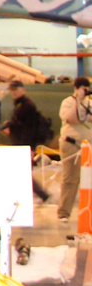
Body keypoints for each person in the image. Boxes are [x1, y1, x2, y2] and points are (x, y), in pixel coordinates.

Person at [2, 81, 53, 201]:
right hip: (22, 144)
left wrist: (27, 147)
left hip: (24, 145)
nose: (14, 92)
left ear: (23, 89)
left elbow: (29, 129)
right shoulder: (20, 105)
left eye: (16, 89)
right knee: (22, 172)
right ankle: (42, 194)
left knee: (22, 172)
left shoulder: (27, 106)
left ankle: (43, 195)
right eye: (12, 89)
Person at [58, 78, 92, 220]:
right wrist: (77, 99)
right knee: (70, 178)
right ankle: (64, 213)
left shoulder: (90, 103)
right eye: (83, 88)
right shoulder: (68, 102)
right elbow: (71, 118)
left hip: (87, 145)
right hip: (71, 144)